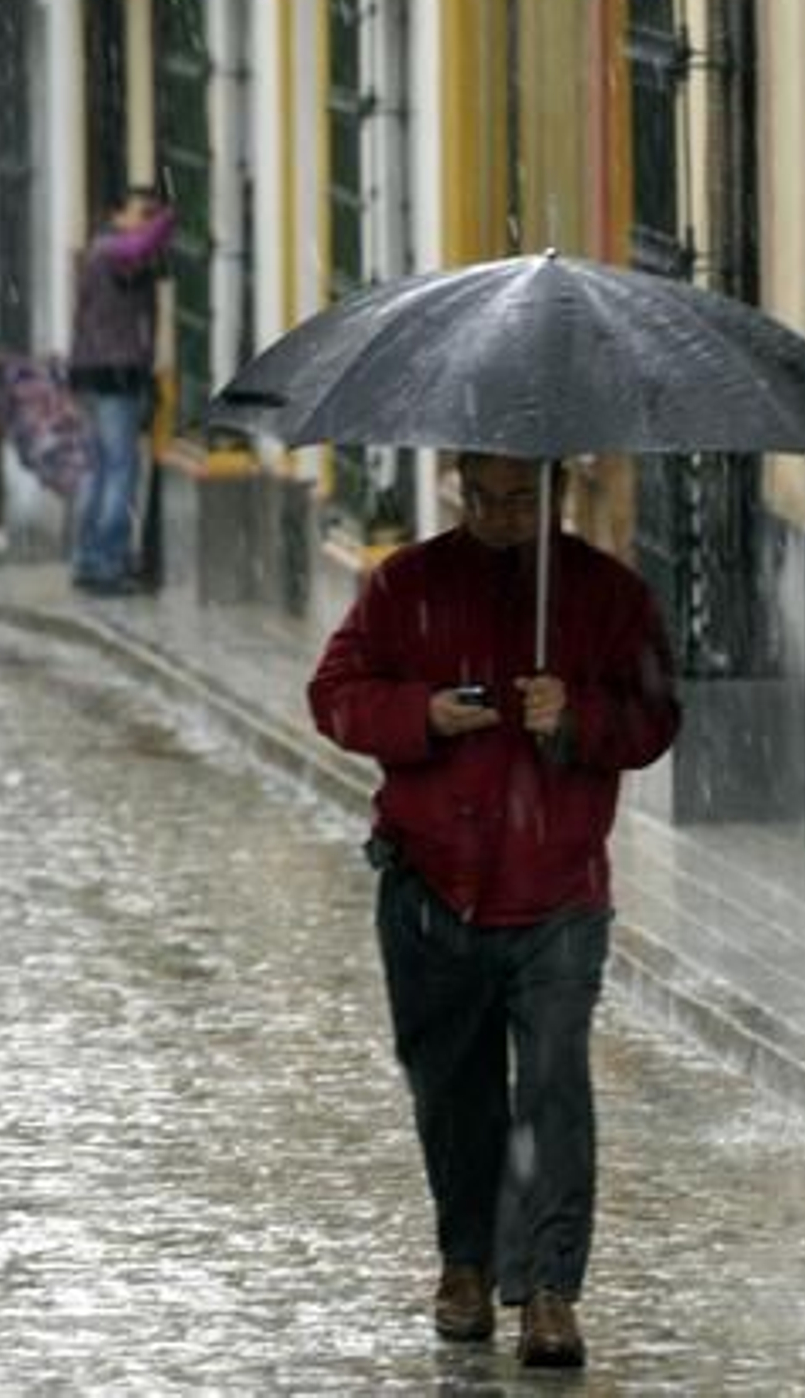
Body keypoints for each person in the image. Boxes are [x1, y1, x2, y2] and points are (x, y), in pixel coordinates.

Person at [307, 454, 681, 1368]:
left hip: (556, 892)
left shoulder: (605, 595)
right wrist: (422, 713)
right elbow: (335, 697)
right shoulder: (407, 585)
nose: (499, 515)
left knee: (553, 1089)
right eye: (480, 497)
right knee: (455, 1093)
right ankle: (465, 1264)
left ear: (552, 495)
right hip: (432, 888)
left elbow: (656, 716)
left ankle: (550, 1289)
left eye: (519, 499)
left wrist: (576, 716)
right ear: (457, 489)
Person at [67, 186, 175, 595]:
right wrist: (173, 213)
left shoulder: (111, 255)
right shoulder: (110, 250)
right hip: (112, 376)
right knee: (118, 471)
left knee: (100, 471)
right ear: (118, 215)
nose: (148, 222)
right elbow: (144, 244)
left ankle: (89, 558)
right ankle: (105, 563)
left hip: (98, 374)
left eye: (152, 213)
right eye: (141, 212)